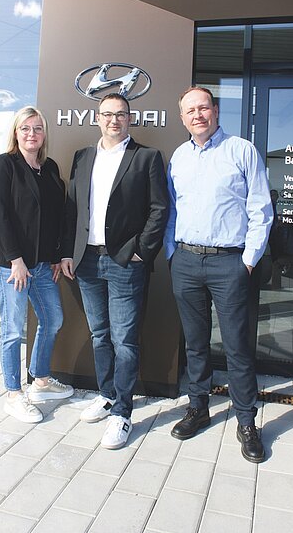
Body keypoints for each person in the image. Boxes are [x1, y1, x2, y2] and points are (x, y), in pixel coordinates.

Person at [164, 87, 273, 463]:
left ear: (215, 110)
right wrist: (172, 254)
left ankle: (246, 421)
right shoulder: (179, 157)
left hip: (230, 263)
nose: (197, 115)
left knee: (237, 346)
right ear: (182, 118)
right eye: (190, 110)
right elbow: (172, 210)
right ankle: (198, 407)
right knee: (195, 344)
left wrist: (248, 260)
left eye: (203, 108)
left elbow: (261, 209)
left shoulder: (241, 150)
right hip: (186, 261)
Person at [61, 92, 168, 449]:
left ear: (129, 119)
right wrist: (68, 253)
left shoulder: (147, 157)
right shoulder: (82, 157)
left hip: (125, 261)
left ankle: (123, 412)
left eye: (120, 114)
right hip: (87, 260)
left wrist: (141, 251)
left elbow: (159, 209)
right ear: (98, 118)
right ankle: (107, 395)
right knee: (100, 334)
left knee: (124, 340)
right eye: (107, 114)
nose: (113, 120)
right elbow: (72, 208)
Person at [0, 106, 74, 423]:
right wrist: (16, 260)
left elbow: (54, 218)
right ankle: (13, 394)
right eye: (25, 128)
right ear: (15, 132)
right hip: (11, 265)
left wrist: (55, 255)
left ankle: (41, 381)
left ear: (44, 133)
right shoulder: (4, 165)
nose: (31, 134)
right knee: (12, 329)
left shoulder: (49, 167)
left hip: (41, 264)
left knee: (53, 319)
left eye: (37, 128)